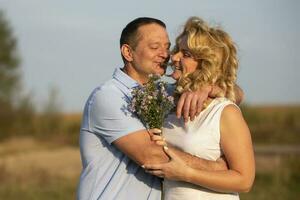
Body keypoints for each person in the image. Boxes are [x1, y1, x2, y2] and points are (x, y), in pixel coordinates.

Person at [77, 17, 229, 200]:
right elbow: (154, 158)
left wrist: (209, 88)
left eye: (167, 47)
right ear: (128, 52)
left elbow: (235, 94)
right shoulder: (109, 97)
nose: (165, 54)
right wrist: (217, 167)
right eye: (155, 47)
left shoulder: (161, 93)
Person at [143, 17, 255, 199]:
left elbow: (244, 181)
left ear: (206, 64)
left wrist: (186, 174)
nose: (174, 57)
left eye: (186, 54)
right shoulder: (166, 98)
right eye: (177, 50)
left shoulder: (225, 112)